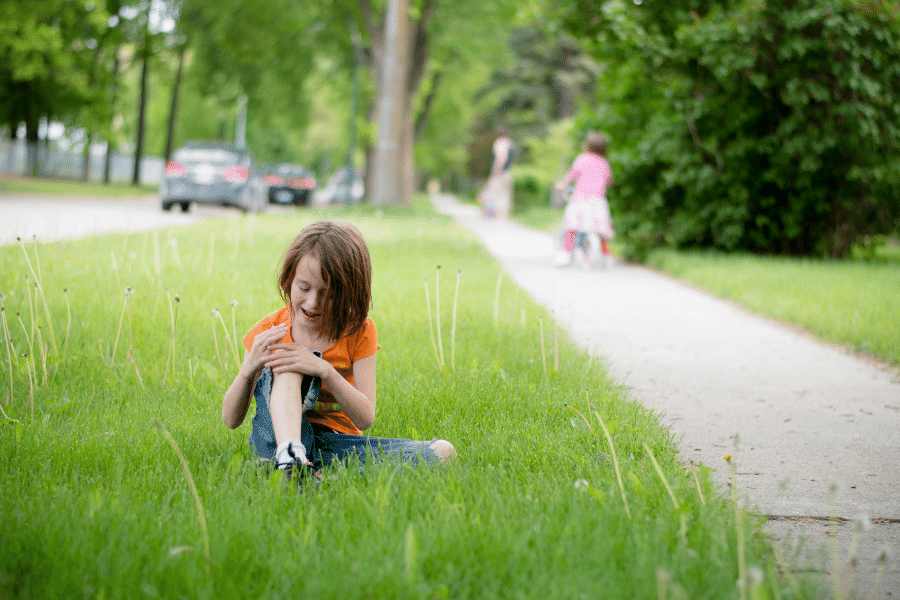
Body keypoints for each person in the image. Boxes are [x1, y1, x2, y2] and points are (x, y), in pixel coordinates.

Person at [222, 220, 456, 480]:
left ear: (349, 292)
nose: (313, 302)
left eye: (328, 294)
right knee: (289, 362)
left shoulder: (360, 330)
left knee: (443, 452)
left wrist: (325, 371)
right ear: (289, 279)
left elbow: (364, 419)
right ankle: (291, 459)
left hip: (336, 446)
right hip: (276, 441)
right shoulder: (270, 331)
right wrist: (248, 371)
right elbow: (231, 419)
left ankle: (307, 473)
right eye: (303, 288)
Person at [554, 131, 615, 269]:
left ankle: (566, 254)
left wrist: (561, 185)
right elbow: (609, 181)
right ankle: (607, 257)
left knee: (571, 227)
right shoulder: (604, 163)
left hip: (581, 200)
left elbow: (571, 176)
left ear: (588, 145)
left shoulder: (583, 159)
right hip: (598, 202)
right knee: (601, 231)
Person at [481, 127, 515, 219]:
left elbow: (501, 158)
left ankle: (494, 217)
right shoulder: (510, 143)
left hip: (499, 173)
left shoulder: (500, 143)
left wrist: (495, 172)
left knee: (494, 194)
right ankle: (503, 217)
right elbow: (512, 160)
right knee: (505, 196)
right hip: (507, 172)